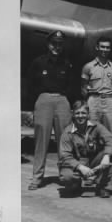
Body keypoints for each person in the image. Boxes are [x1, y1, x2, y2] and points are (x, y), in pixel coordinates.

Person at [27, 30, 74, 190]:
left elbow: (71, 85)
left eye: (60, 44)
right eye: (54, 43)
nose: (57, 46)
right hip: (44, 100)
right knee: (41, 140)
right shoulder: (38, 62)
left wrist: (66, 100)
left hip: (62, 100)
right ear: (48, 44)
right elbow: (30, 85)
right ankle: (37, 177)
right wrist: (39, 100)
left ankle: (65, 175)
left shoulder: (67, 64)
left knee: (64, 140)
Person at [58, 101, 112, 198]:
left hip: (93, 161)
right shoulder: (67, 132)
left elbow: (111, 140)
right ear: (73, 114)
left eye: (83, 113)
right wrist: (80, 167)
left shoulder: (97, 126)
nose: (80, 116)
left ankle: (101, 186)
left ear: (88, 114)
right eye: (77, 113)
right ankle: (75, 185)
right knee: (67, 176)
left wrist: (106, 156)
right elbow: (65, 156)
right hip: (77, 163)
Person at [81, 36, 112, 137]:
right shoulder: (88, 67)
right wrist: (87, 103)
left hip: (109, 100)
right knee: (91, 130)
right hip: (93, 100)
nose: (105, 50)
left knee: (111, 130)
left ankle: (110, 152)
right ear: (97, 48)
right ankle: (91, 152)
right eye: (102, 47)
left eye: (107, 47)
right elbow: (83, 87)